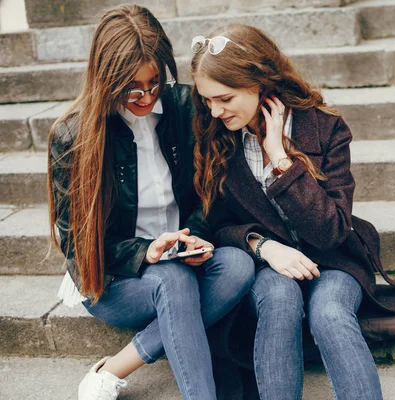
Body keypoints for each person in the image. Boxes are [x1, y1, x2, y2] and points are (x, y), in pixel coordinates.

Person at [189, 24, 395, 400]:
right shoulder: (215, 138)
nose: (214, 110)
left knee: (330, 314)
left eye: (223, 98)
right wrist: (261, 245)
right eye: (207, 100)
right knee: (279, 301)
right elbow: (216, 224)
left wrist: (280, 161)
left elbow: (331, 230)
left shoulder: (325, 127)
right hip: (266, 265)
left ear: (258, 81)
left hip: (334, 259)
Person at [47, 6, 254, 400]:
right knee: (171, 280)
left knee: (238, 266)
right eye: (131, 87)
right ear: (105, 80)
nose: (145, 96)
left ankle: (117, 365)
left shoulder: (184, 107)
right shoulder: (73, 136)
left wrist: (193, 238)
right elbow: (80, 249)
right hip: (113, 278)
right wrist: (147, 252)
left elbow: (209, 193)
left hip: (182, 258)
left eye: (154, 82)